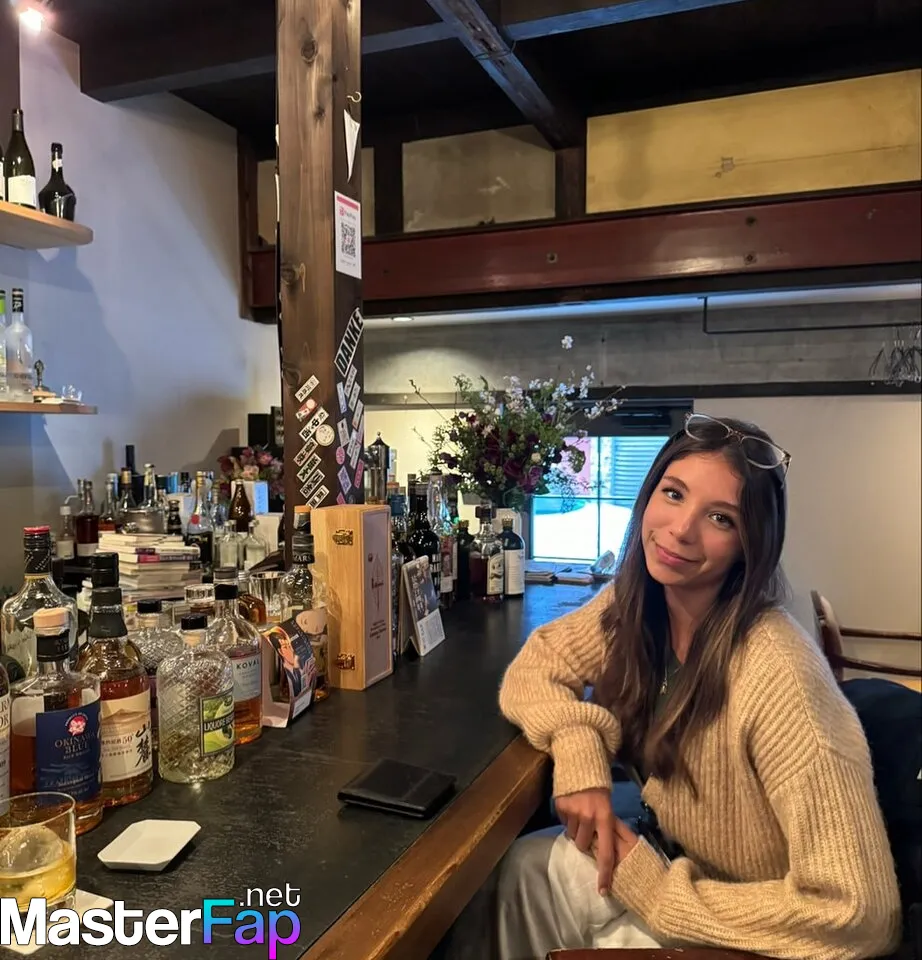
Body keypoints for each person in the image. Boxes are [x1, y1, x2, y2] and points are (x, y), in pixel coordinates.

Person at [438, 412, 901, 960]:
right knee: (519, 874)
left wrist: (659, 895)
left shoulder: (780, 674)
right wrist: (579, 749)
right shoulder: (641, 603)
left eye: (721, 518)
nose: (681, 529)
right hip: (680, 862)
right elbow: (541, 663)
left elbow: (860, 912)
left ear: (750, 544)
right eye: (674, 493)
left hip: (758, 935)